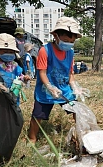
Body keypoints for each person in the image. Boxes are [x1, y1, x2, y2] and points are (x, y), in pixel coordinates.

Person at [28, 16, 90, 144]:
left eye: (72, 41)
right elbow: (42, 73)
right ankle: (32, 138)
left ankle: (83, 133)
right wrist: (50, 87)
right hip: (46, 90)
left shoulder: (70, 53)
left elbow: (70, 73)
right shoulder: (45, 51)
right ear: (56, 36)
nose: (69, 43)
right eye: (66, 40)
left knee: (76, 110)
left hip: (64, 89)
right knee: (38, 115)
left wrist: (75, 87)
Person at [0, 33, 30, 105]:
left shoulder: (14, 65)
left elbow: (19, 76)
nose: (8, 54)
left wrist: (24, 78)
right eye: (5, 51)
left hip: (12, 97)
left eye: (11, 52)